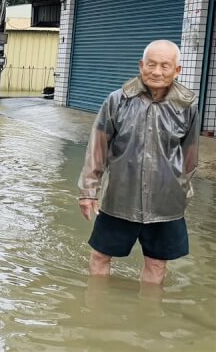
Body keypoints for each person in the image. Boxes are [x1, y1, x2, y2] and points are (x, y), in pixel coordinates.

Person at [78, 39, 199, 285]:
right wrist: (88, 192)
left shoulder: (187, 107)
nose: (156, 71)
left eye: (165, 66)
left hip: (165, 203)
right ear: (141, 65)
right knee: (100, 255)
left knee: (156, 262)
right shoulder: (117, 100)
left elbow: (190, 157)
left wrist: (182, 195)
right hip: (119, 198)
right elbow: (97, 149)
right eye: (151, 64)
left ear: (177, 70)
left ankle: (150, 314)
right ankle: (95, 308)